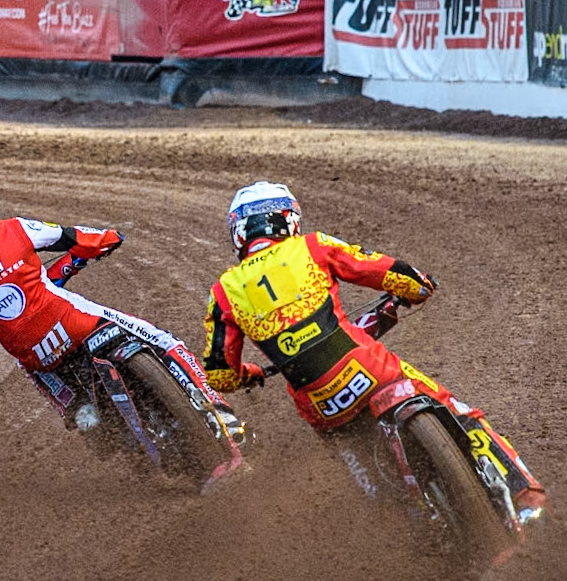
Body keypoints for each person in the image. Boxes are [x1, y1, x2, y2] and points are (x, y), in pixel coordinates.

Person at [202, 180, 545, 522]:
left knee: (365, 480)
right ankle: (525, 496)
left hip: (320, 405)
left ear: (240, 233)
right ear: (289, 220)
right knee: (458, 413)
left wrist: (251, 373)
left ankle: (403, 527)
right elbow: (386, 271)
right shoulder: (312, 247)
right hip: (371, 370)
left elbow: (219, 375)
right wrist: (420, 286)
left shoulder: (223, 292)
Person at [0, 165, 241, 456]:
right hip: (77, 324)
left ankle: (80, 412)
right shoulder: (15, 229)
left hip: (37, 354)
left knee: (32, 364)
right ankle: (221, 414)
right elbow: (77, 238)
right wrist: (110, 238)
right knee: (163, 341)